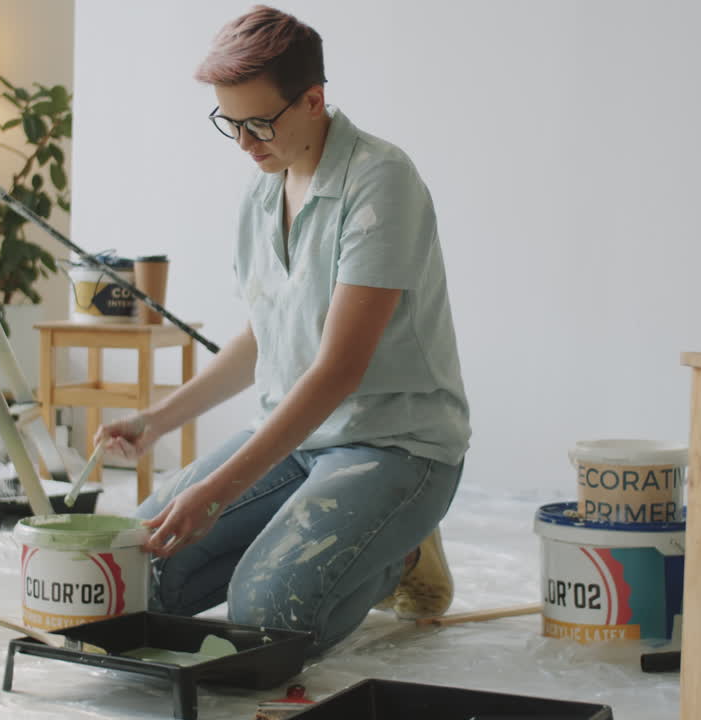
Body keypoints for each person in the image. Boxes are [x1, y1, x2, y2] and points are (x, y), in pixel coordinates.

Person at [96, 5, 469, 655]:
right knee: (132, 573)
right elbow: (264, 337)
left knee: (268, 618)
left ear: (314, 100)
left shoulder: (382, 182)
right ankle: (358, 535)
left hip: (392, 445)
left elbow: (337, 370)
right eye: (229, 123)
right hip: (296, 442)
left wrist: (215, 493)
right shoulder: (263, 189)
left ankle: (402, 550)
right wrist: (156, 420)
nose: (245, 142)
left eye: (259, 122)